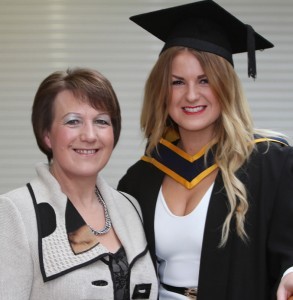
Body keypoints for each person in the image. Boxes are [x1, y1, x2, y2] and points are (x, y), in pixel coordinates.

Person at [117, 1, 293, 299]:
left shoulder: (271, 165)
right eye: (177, 82)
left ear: (226, 86)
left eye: (205, 80)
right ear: (162, 90)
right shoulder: (141, 177)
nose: (191, 95)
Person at [0, 67, 158, 300]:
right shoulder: (14, 212)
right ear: (46, 135)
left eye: (102, 121)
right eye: (73, 121)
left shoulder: (130, 207)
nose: (90, 135)